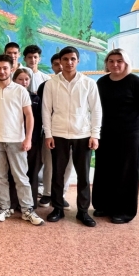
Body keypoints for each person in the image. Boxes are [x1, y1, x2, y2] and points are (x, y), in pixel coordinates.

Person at [93, 49, 139, 223]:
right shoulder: (102, 82)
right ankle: (103, 205)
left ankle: (124, 211)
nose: (115, 64)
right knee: (105, 168)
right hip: (105, 133)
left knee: (126, 171)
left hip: (130, 134)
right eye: (111, 61)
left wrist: (133, 121)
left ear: (126, 63)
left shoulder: (135, 82)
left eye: (119, 61)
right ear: (106, 63)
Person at [42, 46, 102, 227]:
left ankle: (83, 211)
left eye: (73, 59)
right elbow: (46, 110)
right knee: (57, 174)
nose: (69, 62)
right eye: (65, 59)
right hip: (58, 134)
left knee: (83, 176)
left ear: (78, 61)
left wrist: (95, 134)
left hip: (82, 134)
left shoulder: (88, 83)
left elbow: (96, 110)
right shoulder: (51, 83)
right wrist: (48, 134)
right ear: (60, 61)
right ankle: (57, 208)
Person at [0, 55, 44, 226]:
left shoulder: (20, 90)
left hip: (17, 140)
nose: (2, 71)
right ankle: (4, 207)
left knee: (21, 176)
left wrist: (28, 138)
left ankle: (27, 210)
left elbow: (29, 116)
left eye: (5, 68)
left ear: (11, 69)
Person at [37, 54, 73, 209]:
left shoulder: (78, 83)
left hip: (72, 132)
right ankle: (47, 193)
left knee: (67, 165)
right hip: (51, 131)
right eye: (57, 64)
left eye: (62, 63)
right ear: (52, 66)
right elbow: (42, 110)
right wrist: (47, 132)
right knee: (49, 164)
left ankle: (61, 194)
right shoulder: (46, 85)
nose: (61, 66)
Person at [8, 69, 43, 210]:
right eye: (20, 79)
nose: (24, 82)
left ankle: (30, 202)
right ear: (14, 80)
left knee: (32, 172)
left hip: (32, 140)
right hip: (13, 139)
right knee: (14, 172)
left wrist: (31, 139)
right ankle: (13, 202)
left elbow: (39, 121)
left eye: (26, 79)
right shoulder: (9, 96)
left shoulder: (36, 98)